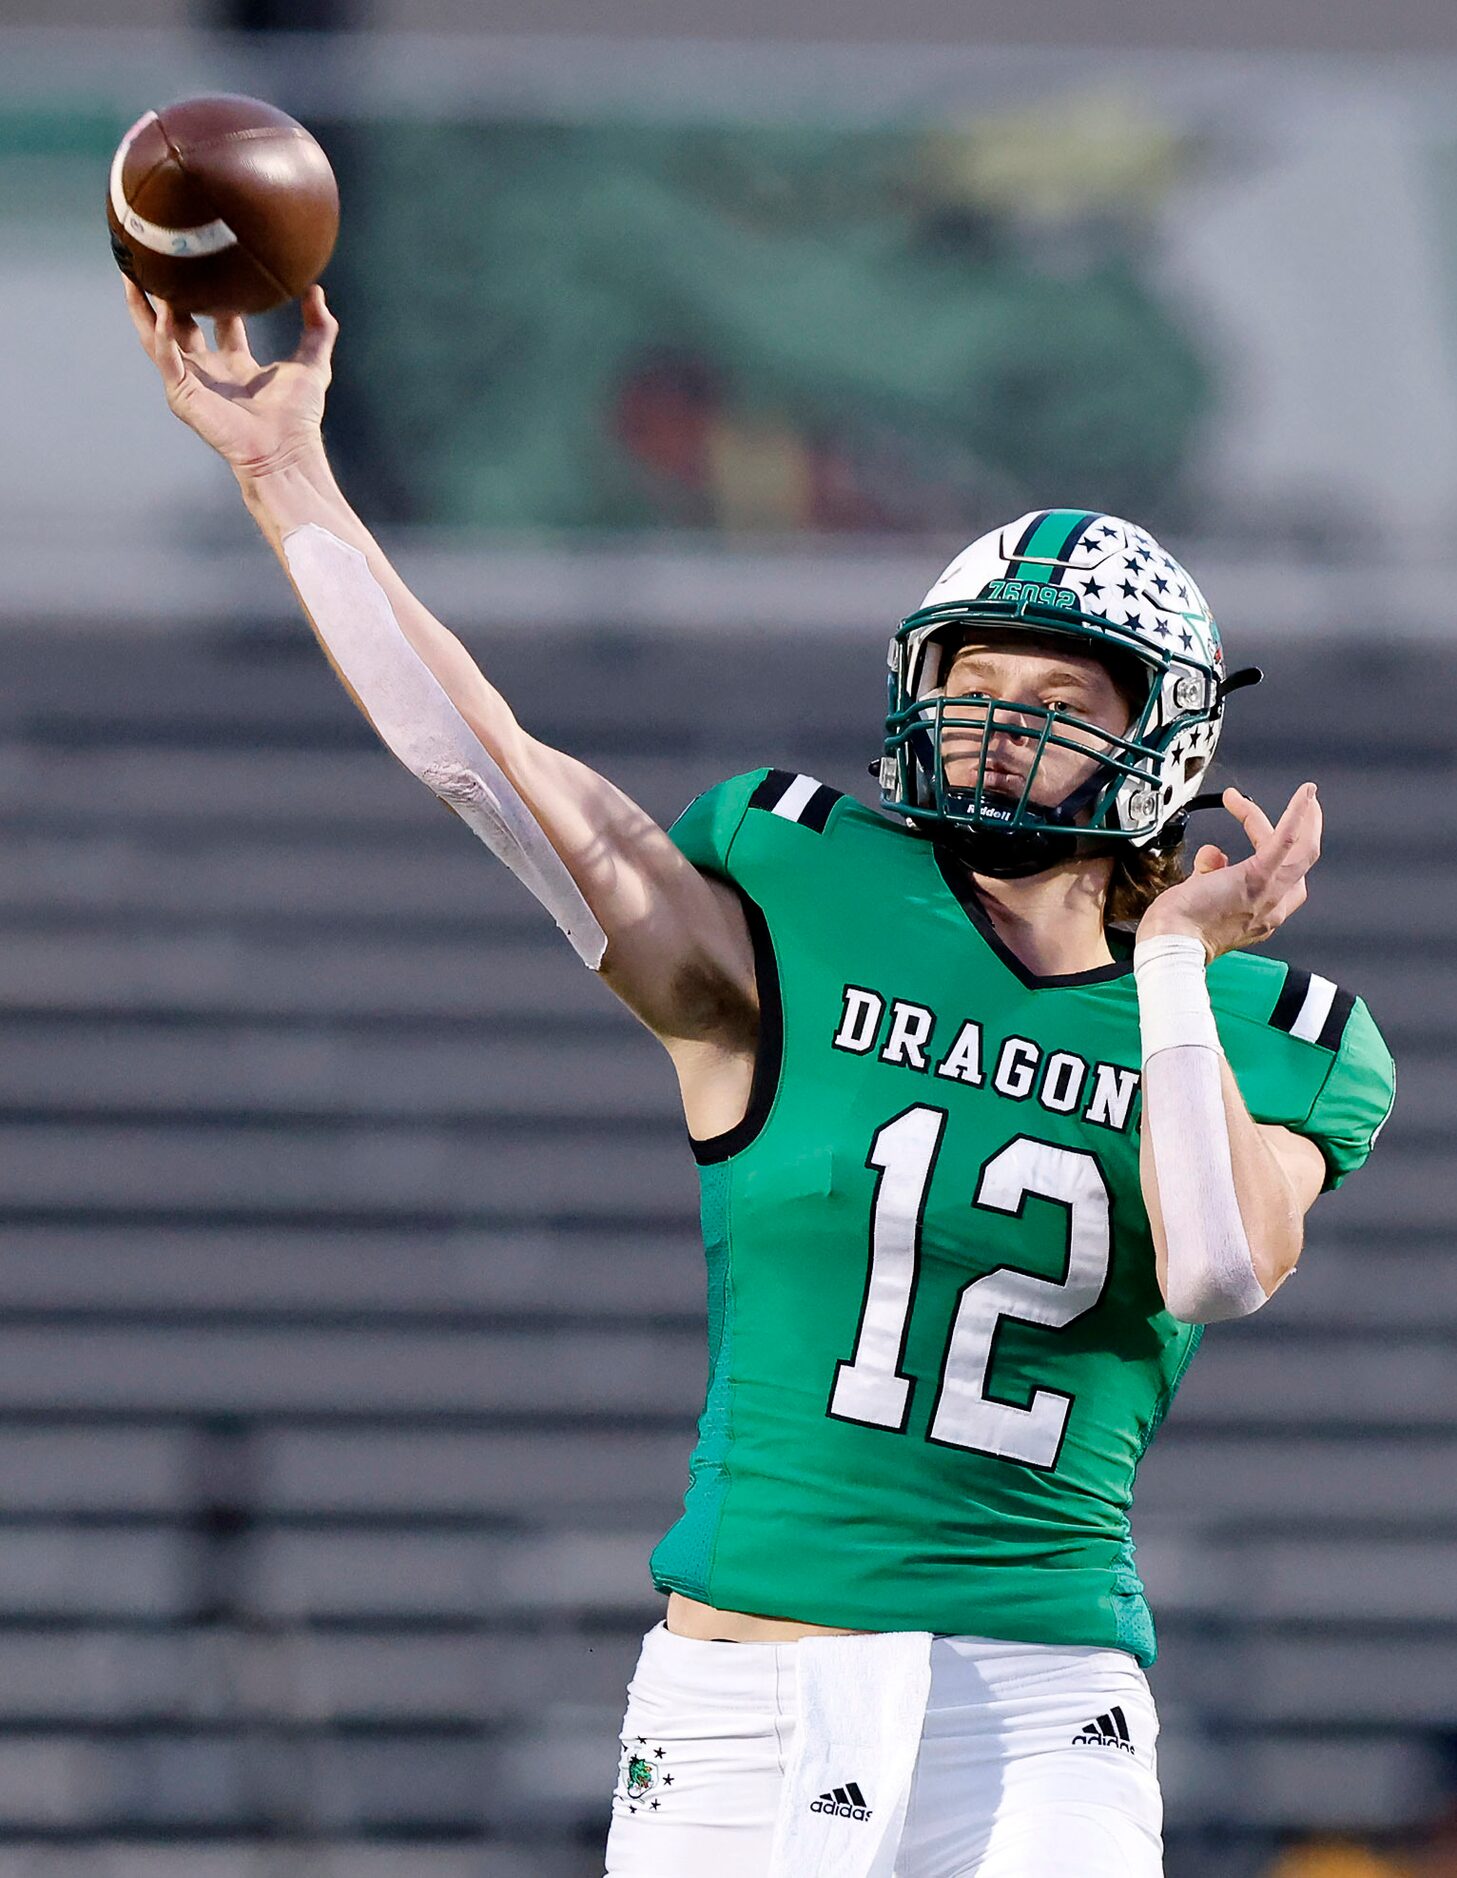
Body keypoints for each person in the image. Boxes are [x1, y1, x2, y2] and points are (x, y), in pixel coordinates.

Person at [125, 283, 1395, 1878]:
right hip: (747, 1683)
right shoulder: (804, 897)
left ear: (1165, 739)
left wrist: (1166, 970)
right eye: (976, 682)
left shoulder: (1263, 1023)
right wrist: (285, 477)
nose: (998, 728)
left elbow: (1213, 1261)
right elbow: (495, 773)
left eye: (1058, 700)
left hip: (1040, 1700)